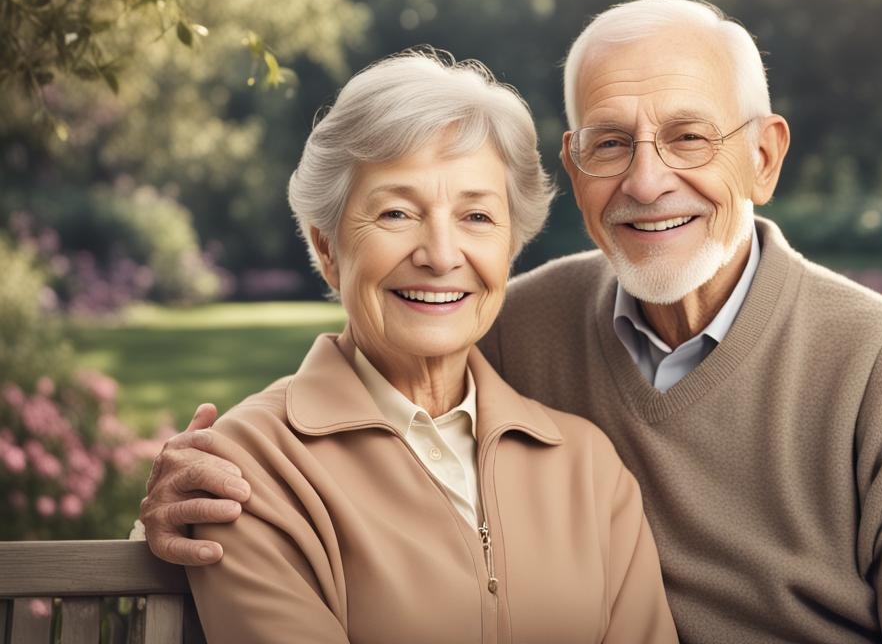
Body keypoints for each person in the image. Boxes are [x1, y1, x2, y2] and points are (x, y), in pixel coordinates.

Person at [140, 0, 882, 643]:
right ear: (574, 169)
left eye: (689, 138)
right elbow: (359, 385)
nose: (647, 181)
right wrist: (184, 501)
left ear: (763, 158)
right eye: (611, 143)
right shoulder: (509, 326)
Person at [171, 50, 677, 643]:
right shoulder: (249, 468)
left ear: (510, 249)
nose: (440, 255)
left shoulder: (589, 470)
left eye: (478, 217)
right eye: (396, 212)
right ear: (329, 249)